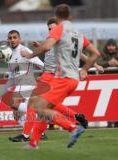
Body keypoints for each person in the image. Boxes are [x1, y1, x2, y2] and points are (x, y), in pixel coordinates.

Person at [21, 4, 100, 149]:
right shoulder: (78, 33)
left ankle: (72, 128)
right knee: (44, 108)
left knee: (38, 107)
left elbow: (46, 47)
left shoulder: (59, 29)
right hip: (73, 79)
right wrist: (84, 70)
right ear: (70, 16)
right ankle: (33, 143)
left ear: (56, 17)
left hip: (62, 78)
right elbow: (95, 53)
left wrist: (30, 55)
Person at [0, 30, 44, 142]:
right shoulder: (9, 55)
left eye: (15, 37)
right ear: (8, 40)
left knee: (14, 104)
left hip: (27, 83)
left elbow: (41, 65)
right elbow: (11, 79)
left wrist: (44, 77)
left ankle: (39, 115)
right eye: (10, 38)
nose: (12, 40)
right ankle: (39, 131)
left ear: (19, 39)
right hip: (20, 85)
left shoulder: (24, 51)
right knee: (17, 115)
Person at [97, 38, 118, 127]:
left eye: (112, 46)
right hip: (106, 83)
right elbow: (97, 62)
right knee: (107, 103)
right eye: (109, 46)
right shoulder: (102, 53)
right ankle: (109, 122)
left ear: (115, 46)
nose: (111, 48)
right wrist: (108, 63)